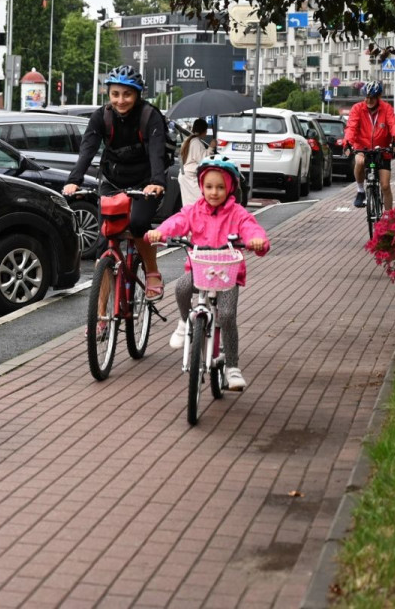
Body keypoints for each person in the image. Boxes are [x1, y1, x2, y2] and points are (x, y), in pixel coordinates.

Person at [146, 157, 269, 391]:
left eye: (220, 187)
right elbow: (177, 222)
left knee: (227, 315)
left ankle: (232, 367)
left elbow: (251, 228)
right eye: (209, 186)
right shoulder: (194, 211)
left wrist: (257, 240)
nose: (214, 192)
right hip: (200, 270)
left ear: (230, 188)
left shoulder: (237, 213)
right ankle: (185, 322)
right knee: (182, 287)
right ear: (202, 187)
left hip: (227, 276)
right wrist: (160, 232)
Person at [63, 65, 168, 299]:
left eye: (127, 94)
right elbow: (87, 149)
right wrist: (74, 180)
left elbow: (157, 152)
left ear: (138, 94)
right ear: (108, 93)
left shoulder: (149, 115)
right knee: (105, 240)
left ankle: (152, 272)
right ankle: (100, 313)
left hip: (145, 182)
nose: (121, 100)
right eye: (115, 94)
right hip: (113, 180)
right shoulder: (101, 116)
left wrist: (157, 181)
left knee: (138, 224)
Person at [344, 80, 395, 211]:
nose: (369, 100)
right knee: (359, 162)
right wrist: (347, 144)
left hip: (382, 150)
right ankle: (360, 190)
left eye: (372, 97)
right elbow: (351, 127)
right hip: (362, 147)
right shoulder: (357, 109)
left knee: (385, 186)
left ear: (379, 97)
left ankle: (389, 217)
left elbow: (393, 125)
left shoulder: (386, 108)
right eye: (367, 97)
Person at [178, 117, 217, 206]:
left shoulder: (188, 140)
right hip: (190, 177)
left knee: (189, 205)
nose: (206, 133)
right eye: (206, 131)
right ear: (203, 131)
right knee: (198, 203)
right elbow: (203, 160)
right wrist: (211, 147)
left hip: (185, 175)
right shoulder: (196, 142)